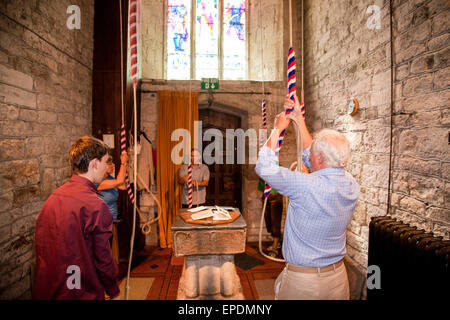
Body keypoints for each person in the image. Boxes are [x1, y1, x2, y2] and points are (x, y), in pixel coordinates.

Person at [255, 93, 360, 300]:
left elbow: (264, 166)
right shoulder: (351, 184)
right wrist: (298, 119)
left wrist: (278, 128)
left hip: (304, 283)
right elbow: (312, 158)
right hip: (337, 278)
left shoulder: (305, 185)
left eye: (313, 152)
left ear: (320, 157)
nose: (307, 154)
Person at [33, 136, 120, 300]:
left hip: (50, 289)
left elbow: (42, 248)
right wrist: (113, 290)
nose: (107, 167)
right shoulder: (95, 205)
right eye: (105, 162)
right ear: (94, 163)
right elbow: (103, 258)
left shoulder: (53, 198)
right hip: (80, 291)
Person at [97, 153, 128, 222]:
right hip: (102, 221)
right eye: (110, 164)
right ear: (103, 166)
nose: (113, 165)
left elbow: (123, 186)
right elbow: (119, 181)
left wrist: (125, 167)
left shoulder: (110, 178)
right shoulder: (98, 181)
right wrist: (123, 163)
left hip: (111, 220)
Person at [258, 178, 283, 257]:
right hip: (266, 193)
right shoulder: (262, 166)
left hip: (275, 194)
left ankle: (275, 246)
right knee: (268, 220)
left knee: (275, 220)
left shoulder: (276, 166)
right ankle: (276, 242)